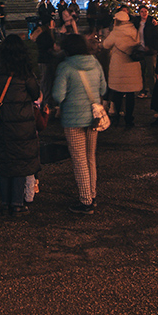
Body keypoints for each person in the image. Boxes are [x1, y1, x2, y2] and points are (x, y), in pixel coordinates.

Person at [0, 35, 40, 215]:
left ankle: (4, 201)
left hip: (1, 122)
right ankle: (17, 203)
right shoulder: (24, 72)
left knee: (3, 161)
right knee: (20, 163)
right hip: (22, 124)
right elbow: (35, 94)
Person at [52, 32, 106, 214]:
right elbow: (103, 88)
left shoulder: (65, 67)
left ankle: (85, 201)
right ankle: (92, 193)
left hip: (73, 119)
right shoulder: (95, 63)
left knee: (79, 159)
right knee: (91, 157)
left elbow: (58, 95)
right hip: (94, 116)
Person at [102, 10, 143, 127]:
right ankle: (129, 118)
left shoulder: (116, 32)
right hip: (132, 66)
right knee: (130, 95)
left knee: (118, 93)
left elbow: (106, 44)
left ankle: (117, 117)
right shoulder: (134, 31)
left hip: (119, 66)